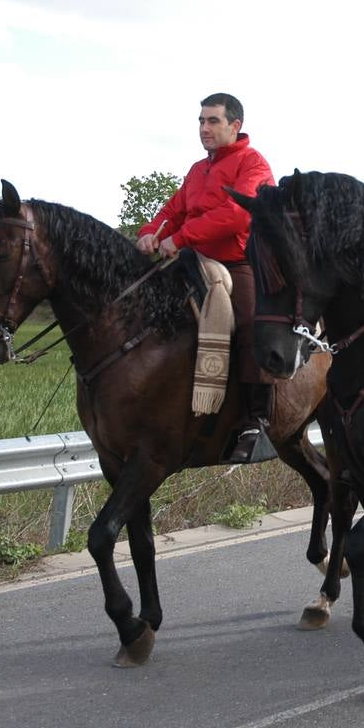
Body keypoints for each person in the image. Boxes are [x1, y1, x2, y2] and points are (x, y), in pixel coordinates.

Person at [137, 93, 278, 463]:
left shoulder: (253, 165)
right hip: (195, 260)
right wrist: (150, 232)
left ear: (236, 125)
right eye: (201, 121)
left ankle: (256, 423)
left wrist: (178, 238)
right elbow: (174, 209)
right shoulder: (199, 170)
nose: (204, 129)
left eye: (213, 121)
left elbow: (236, 216)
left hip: (240, 262)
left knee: (251, 324)